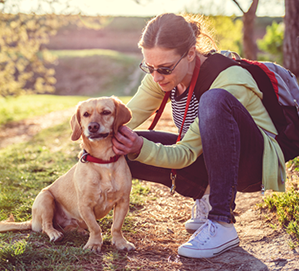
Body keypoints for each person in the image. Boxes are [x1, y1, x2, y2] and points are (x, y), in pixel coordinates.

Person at [112, 13, 286, 259]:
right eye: (149, 67)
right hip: (208, 156)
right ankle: (205, 194)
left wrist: (141, 147)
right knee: (118, 144)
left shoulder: (228, 80)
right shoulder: (162, 76)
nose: (156, 76)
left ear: (191, 54)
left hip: (251, 165)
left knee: (213, 101)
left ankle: (222, 222)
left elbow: (185, 154)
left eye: (164, 68)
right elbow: (123, 119)